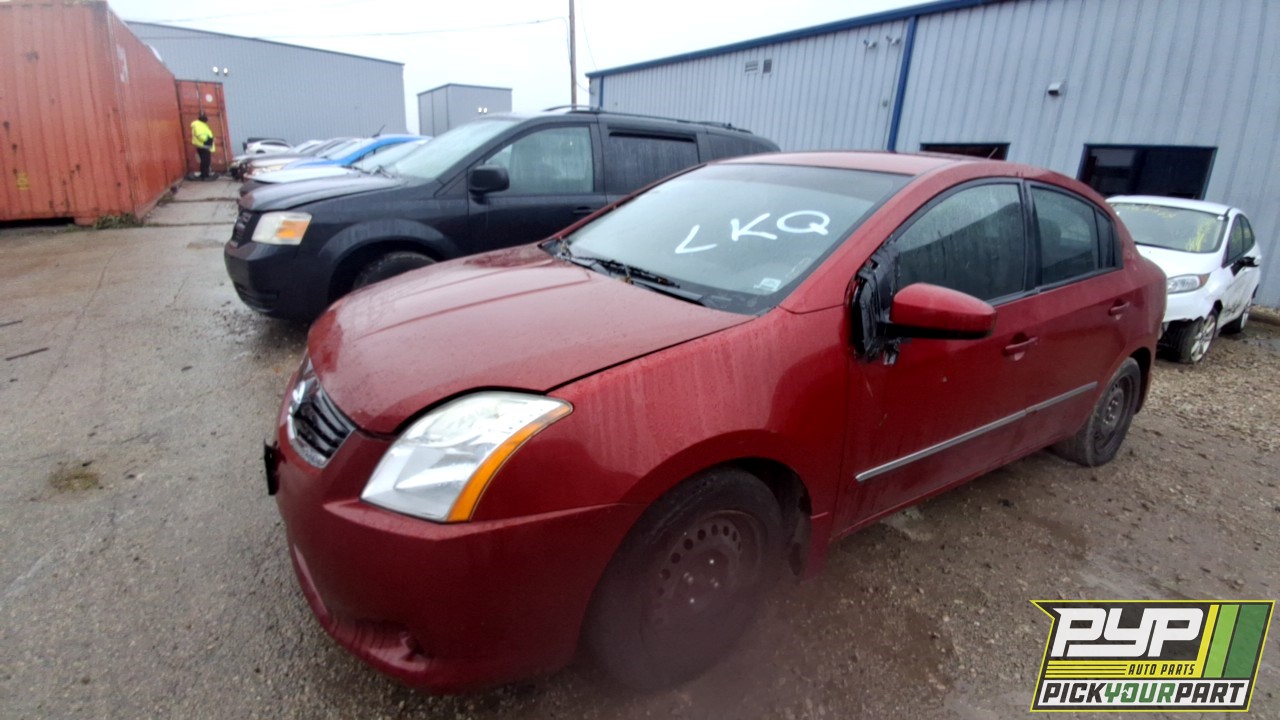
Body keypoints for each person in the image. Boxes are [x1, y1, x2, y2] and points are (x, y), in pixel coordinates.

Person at [190, 113, 215, 180]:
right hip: (203, 146)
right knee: (205, 161)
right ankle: (204, 175)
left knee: (205, 161)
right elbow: (200, 135)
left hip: (203, 146)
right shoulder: (199, 125)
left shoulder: (200, 125)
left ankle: (205, 174)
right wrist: (207, 139)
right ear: (204, 120)